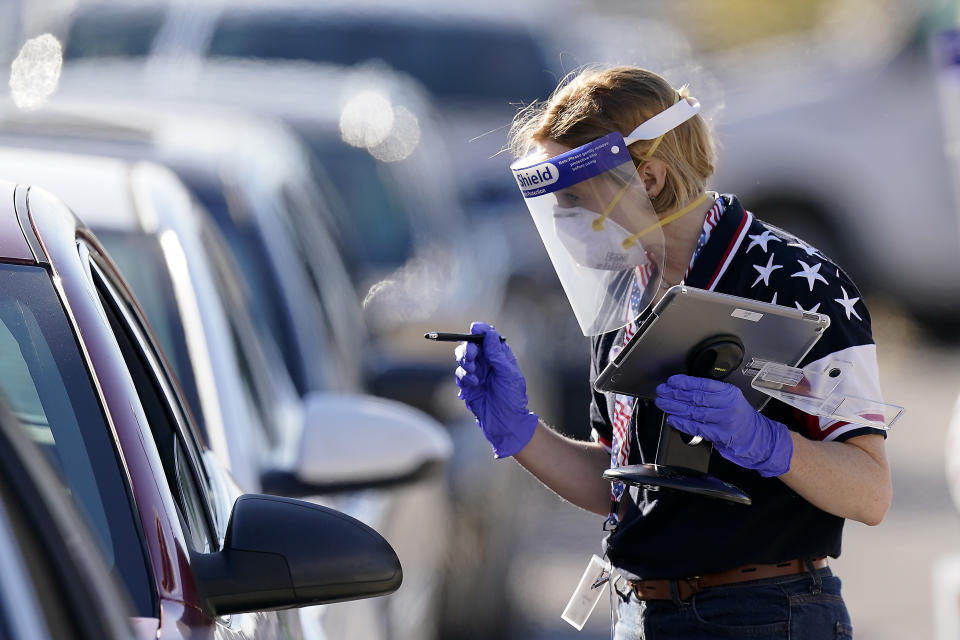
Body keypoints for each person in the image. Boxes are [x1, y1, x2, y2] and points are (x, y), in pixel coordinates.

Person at [453, 65, 890, 639]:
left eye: (574, 200)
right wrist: (518, 431)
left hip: (763, 613)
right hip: (640, 610)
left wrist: (768, 443)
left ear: (650, 179)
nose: (562, 224)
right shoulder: (626, 287)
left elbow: (870, 490)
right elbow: (622, 485)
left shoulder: (796, 282)